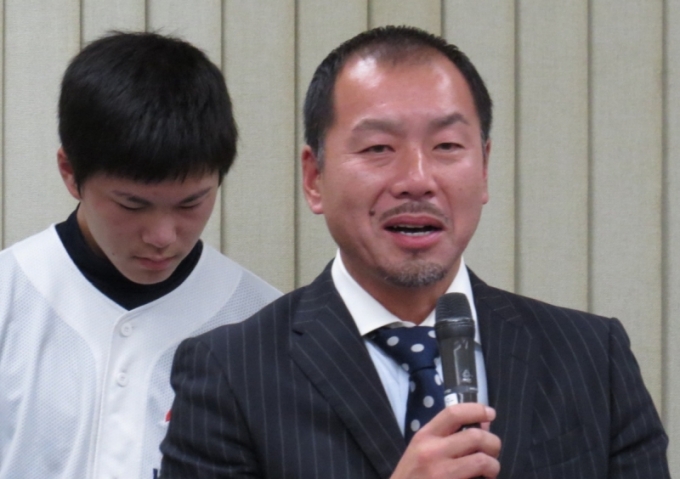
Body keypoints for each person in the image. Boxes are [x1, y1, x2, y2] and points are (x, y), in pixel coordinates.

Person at [159, 26, 669, 478]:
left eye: (447, 146)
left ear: (484, 168)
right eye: (378, 148)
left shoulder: (592, 358)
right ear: (314, 178)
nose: (417, 179)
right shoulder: (229, 373)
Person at [0, 32, 280, 479]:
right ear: (70, 173)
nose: (163, 237)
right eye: (132, 205)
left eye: (191, 203)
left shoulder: (263, 324)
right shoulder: (10, 296)